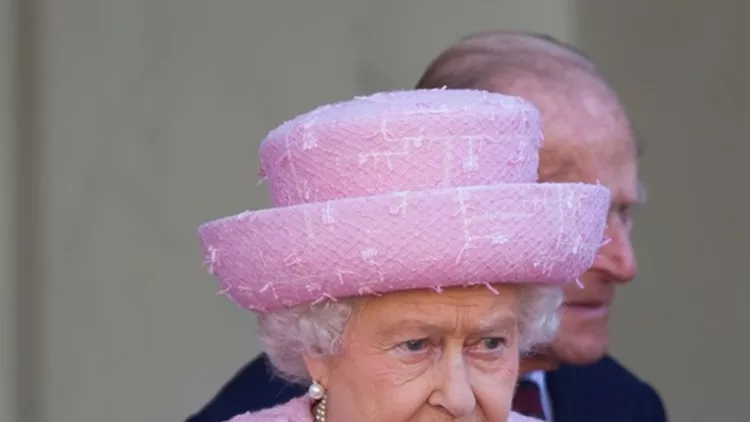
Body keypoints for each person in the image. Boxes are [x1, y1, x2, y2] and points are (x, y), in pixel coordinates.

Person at [188, 32, 668, 422]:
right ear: (317, 349)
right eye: (416, 345)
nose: (458, 398)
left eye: (491, 344)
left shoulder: (625, 402)